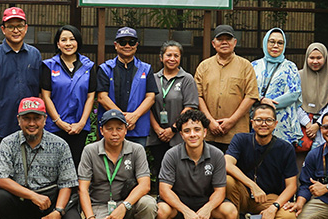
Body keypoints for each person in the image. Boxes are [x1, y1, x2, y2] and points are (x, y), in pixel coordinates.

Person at [0, 97, 80, 219]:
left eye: (36, 118)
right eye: (26, 118)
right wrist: (32, 196)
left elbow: (67, 183)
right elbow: (0, 179)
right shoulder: (8, 142)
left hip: (49, 201)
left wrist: (58, 211)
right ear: (19, 120)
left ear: (45, 120)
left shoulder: (60, 145)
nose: (32, 123)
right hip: (21, 199)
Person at [154, 108, 240, 219]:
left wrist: (207, 209)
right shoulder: (171, 154)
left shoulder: (217, 155)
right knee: (160, 212)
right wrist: (186, 211)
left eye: (197, 129)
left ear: (205, 132)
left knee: (230, 212)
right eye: (187, 131)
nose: (192, 134)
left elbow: (220, 191)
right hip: (177, 204)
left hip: (204, 202)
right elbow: (164, 190)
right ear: (181, 135)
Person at [77, 109, 157, 219]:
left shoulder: (136, 150)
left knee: (149, 203)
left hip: (126, 204)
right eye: (109, 128)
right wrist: (90, 218)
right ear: (101, 130)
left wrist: (124, 206)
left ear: (126, 130)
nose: (115, 133)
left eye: (119, 128)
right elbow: (83, 188)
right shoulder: (90, 151)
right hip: (99, 205)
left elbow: (145, 185)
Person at [223, 103, 299, 219]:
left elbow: (292, 185)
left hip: (268, 198)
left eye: (268, 120)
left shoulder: (285, 148)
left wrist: (274, 207)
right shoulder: (240, 139)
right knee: (228, 181)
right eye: (259, 120)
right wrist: (252, 185)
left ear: (275, 124)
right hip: (243, 193)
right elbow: (227, 163)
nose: (263, 124)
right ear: (252, 122)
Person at [0, 7, 42, 167]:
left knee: (28, 169)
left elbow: (41, 91)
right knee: (0, 170)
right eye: (11, 26)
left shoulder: (35, 55)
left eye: (19, 26)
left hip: (30, 126)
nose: (16, 30)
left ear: (26, 28)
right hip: (1, 125)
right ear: (3, 29)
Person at [195, 24, 259, 151]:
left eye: (228, 39)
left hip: (236, 132)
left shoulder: (246, 66)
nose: (224, 42)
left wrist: (231, 121)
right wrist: (210, 121)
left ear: (234, 42)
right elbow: (198, 95)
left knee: (234, 168)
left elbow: (251, 96)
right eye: (220, 39)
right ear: (213, 44)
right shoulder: (204, 66)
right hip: (209, 132)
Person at [40, 25, 95, 167]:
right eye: (63, 40)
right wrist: (59, 122)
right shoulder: (48, 66)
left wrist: (82, 123)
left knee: (76, 164)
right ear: (58, 44)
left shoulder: (88, 66)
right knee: (54, 165)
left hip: (79, 127)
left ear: (78, 42)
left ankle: (75, 190)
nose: (68, 43)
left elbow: (91, 96)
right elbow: (46, 96)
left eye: (72, 39)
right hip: (55, 127)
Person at [96, 27, 156, 146]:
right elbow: (102, 97)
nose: (127, 45)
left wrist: (134, 116)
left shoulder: (146, 69)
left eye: (132, 42)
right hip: (111, 128)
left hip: (137, 128)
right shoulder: (105, 68)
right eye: (123, 42)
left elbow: (151, 97)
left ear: (137, 45)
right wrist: (122, 119)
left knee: (135, 163)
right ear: (116, 45)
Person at [147, 40, 199, 177]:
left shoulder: (187, 79)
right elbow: (148, 106)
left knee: (179, 170)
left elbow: (190, 106)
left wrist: (173, 129)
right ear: (161, 57)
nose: (172, 59)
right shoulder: (153, 78)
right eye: (168, 55)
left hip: (179, 135)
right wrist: (158, 129)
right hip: (157, 135)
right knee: (159, 169)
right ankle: (161, 197)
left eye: (176, 56)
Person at [252, 28, 303, 146]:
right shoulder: (254, 65)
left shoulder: (290, 67)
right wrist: (262, 101)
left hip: (282, 120)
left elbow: (294, 93)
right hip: (259, 119)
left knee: (281, 155)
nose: (276, 46)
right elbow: (248, 90)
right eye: (272, 42)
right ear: (265, 43)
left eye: (280, 43)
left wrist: (269, 106)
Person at [298, 43, 328, 151]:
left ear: (325, 58)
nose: (315, 61)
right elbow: (294, 103)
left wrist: (318, 124)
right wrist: (308, 124)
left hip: (325, 126)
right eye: (311, 57)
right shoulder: (297, 76)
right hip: (301, 125)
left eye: (319, 58)